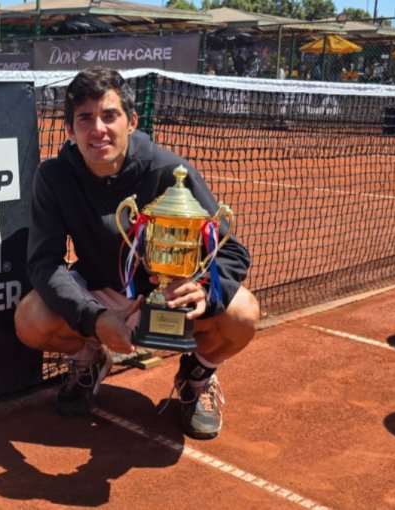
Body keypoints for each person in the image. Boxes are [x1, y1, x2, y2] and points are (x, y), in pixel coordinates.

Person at [14, 67, 259, 440]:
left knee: (244, 313)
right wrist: (93, 318)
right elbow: (44, 263)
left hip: (170, 299)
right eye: (85, 118)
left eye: (109, 115)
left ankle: (197, 376)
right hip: (100, 290)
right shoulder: (53, 176)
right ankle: (90, 360)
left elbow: (232, 252)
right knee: (30, 319)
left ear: (131, 121)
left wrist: (206, 291)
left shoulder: (171, 172)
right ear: (69, 128)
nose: (98, 128)